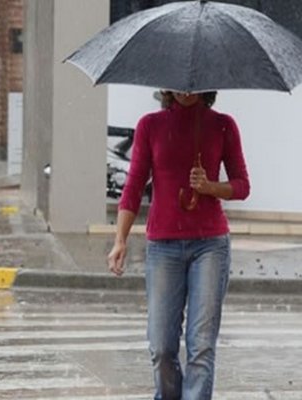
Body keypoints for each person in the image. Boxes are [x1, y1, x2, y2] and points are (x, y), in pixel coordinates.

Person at [107, 91, 250, 400]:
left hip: (210, 246)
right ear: (167, 86)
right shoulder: (150, 126)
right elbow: (133, 186)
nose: (186, 92)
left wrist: (211, 186)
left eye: (193, 86)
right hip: (163, 247)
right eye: (178, 85)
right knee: (161, 346)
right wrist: (120, 239)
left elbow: (242, 185)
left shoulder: (223, 125)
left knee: (201, 346)